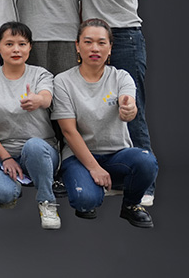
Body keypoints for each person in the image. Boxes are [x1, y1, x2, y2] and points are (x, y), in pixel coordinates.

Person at [52, 19, 157, 227]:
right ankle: (92, 185)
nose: (95, 48)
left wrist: (129, 109)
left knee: (147, 162)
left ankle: (131, 205)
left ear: (110, 48)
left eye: (101, 43)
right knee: (85, 201)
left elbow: (129, 106)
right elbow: (68, 131)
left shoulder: (121, 77)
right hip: (79, 157)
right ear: (77, 46)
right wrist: (94, 168)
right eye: (88, 42)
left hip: (117, 154)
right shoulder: (63, 81)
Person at [80, 0, 152, 193]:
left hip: (124, 38)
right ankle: (115, 177)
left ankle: (145, 184)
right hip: (94, 41)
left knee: (131, 106)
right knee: (101, 109)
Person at [0, 22, 60, 229]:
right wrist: (6, 158)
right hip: (1, 152)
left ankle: (47, 201)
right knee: (4, 195)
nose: (16, 49)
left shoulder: (41, 74)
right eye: (9, 44)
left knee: (34, 146)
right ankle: (16, 182)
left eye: (22, 44)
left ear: (30, 47)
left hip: (41, 150)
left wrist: (38, 100)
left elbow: (46, 97)